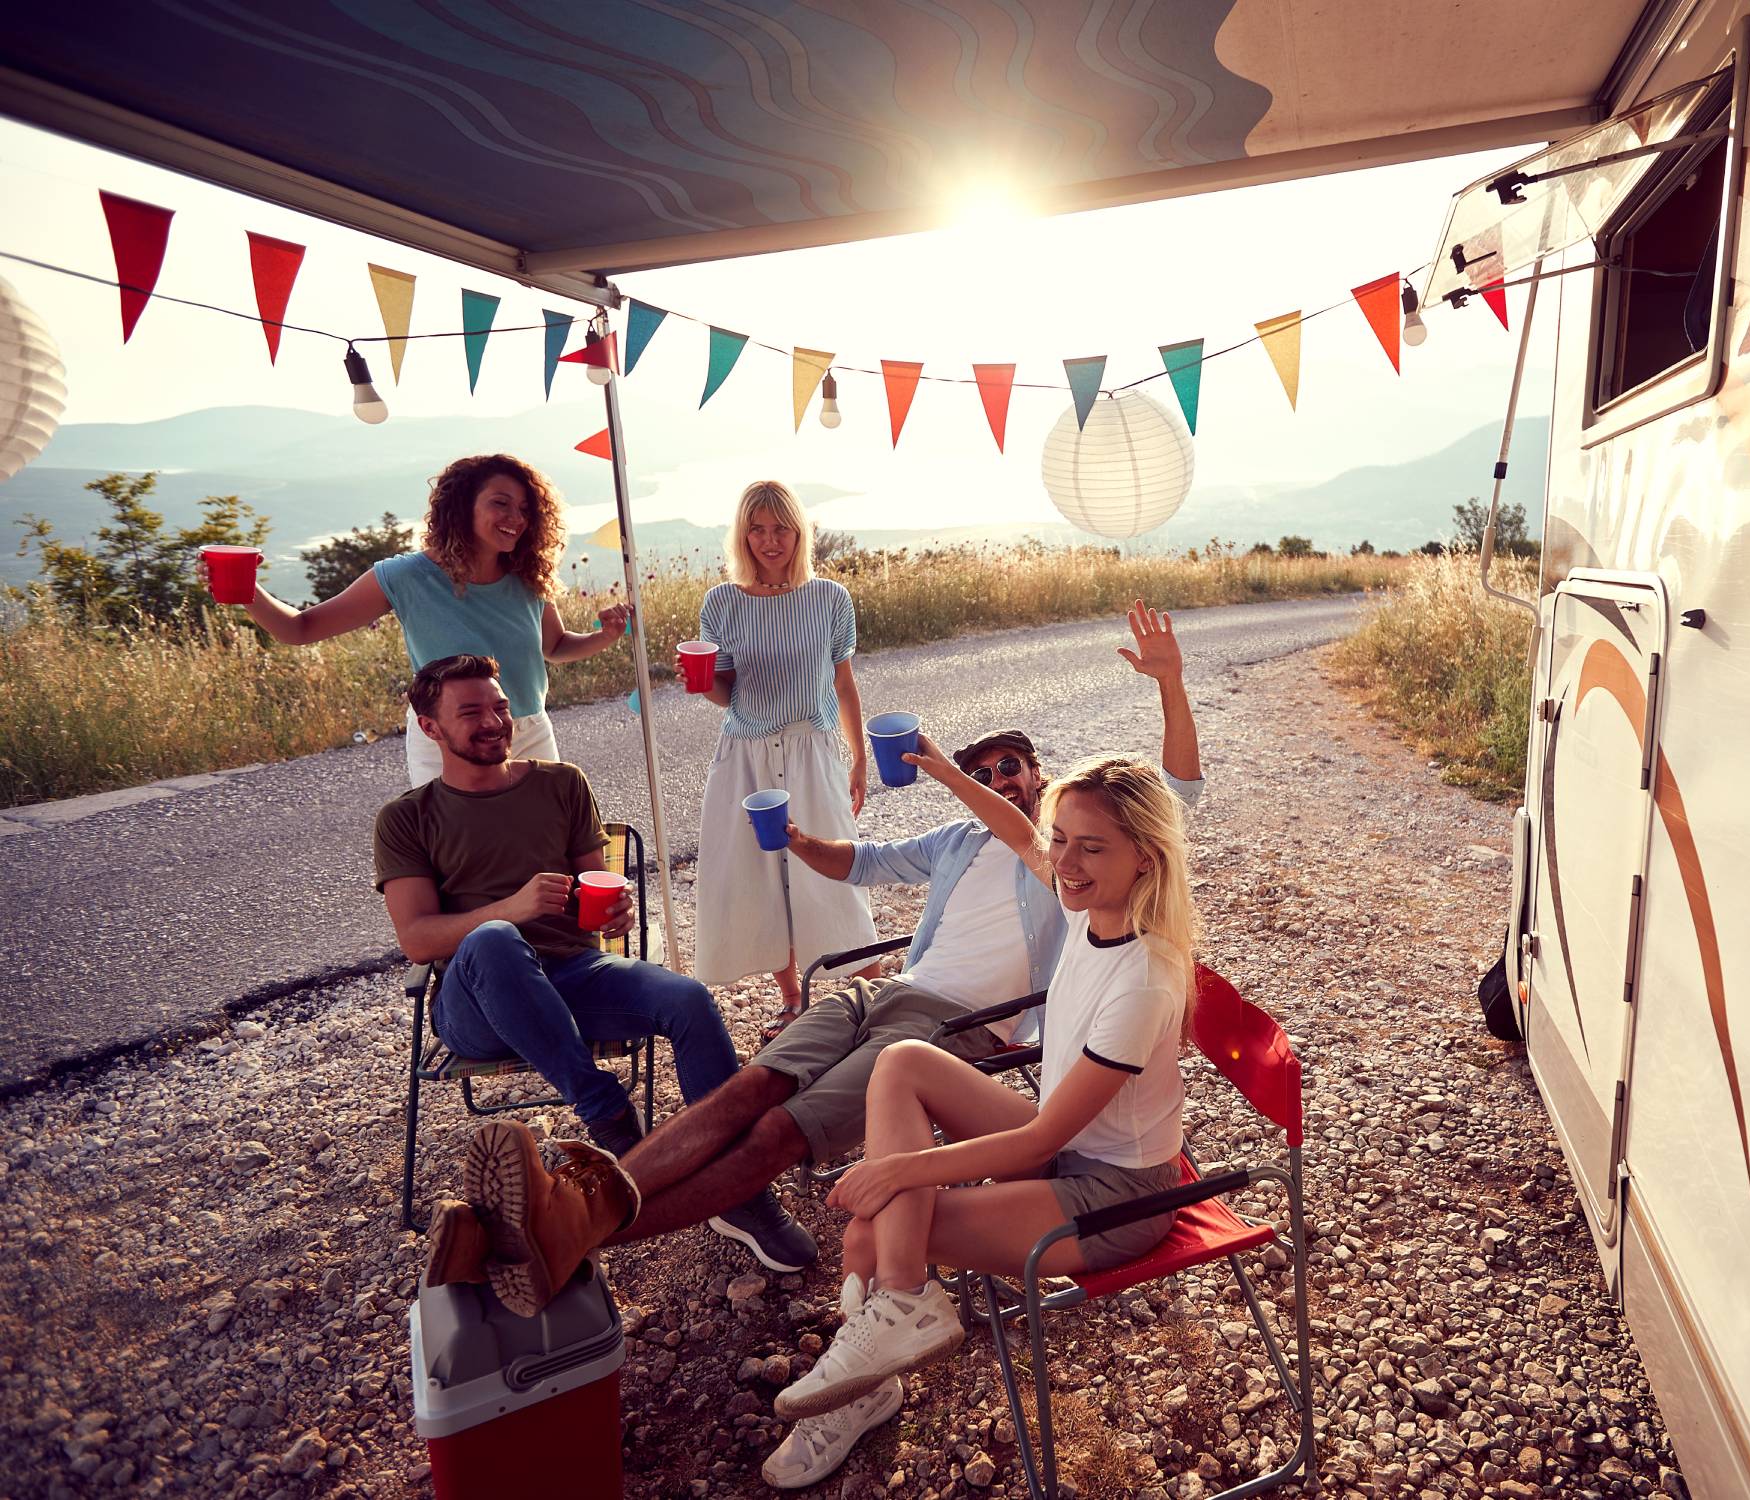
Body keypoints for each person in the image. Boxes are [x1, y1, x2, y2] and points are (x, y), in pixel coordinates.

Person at [428, 603, 1200, 1302]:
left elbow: (1167, 804)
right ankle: (564, 1216)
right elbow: (864, 861)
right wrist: (801, 840)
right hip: (886, 995)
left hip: (958, 1026)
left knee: (775, 1133)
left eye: (1012, 767)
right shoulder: (984, 846)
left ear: (1039, 777)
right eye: (985, 769)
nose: (1001, 781)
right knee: (743, 1093)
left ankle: (562, 1232)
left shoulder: (1076, 876)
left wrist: (1168, 688)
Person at [762, 740, 1199, 1487]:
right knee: (901, 1063)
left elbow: (1041, 1137)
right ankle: (902, 1307)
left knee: (876, 1227)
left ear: (1146, 859)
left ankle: (871, 1371)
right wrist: (939, 764)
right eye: (1061, 840)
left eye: (1091, 847)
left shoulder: (1145, 982)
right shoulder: (1088, 908)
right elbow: (1020, 832)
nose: (1064, 861)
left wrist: (896, 1170)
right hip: (1066, 1146)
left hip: (1118, 1196)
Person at [383, 653, 814, 1308]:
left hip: (574, 973)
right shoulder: (408, 818)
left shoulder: (560, 783)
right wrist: (513, 909)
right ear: (429, 727)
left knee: (690, 1000)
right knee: (497, 940)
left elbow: (598, 891)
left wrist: (616, 911)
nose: (493, 721)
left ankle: (741, 1196)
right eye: (470, 711)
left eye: (498, 707)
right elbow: (416, 937)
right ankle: (606, 1112)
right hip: (475, 998)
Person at [236, 453, 630, 785]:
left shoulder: (527, 577)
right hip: (445, 740)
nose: (517, 517)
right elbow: (299, 628)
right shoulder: (406, 576)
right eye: (500, 503)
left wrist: (605, 635)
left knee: (546, 847)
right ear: (462, 508)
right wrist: (244, 588)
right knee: (460, 858)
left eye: (525, 509)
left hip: (528, 731)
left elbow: (555, 646)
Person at [686, 479, 877, 1035]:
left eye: (781, 529)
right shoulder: (720, 603)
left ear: (799, 533)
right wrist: (703, 689)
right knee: (759, 871)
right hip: (744, 752)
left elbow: (843, 683)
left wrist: (858, 755)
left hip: (813, 749)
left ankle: (866, 982)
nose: (770, 541)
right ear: (742, 535)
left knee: (832, 863)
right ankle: (793, 996)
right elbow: (727, 691)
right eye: (758, 529)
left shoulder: (830, 598)